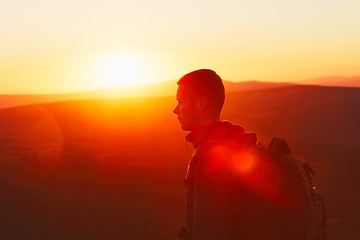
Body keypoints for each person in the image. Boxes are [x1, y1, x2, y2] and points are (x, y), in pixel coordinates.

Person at [173, 69, 263, 240]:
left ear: (201, 104)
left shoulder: (210, 158)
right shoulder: (239, 143)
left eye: (180, 101)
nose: (175, 110)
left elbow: (209, 232)